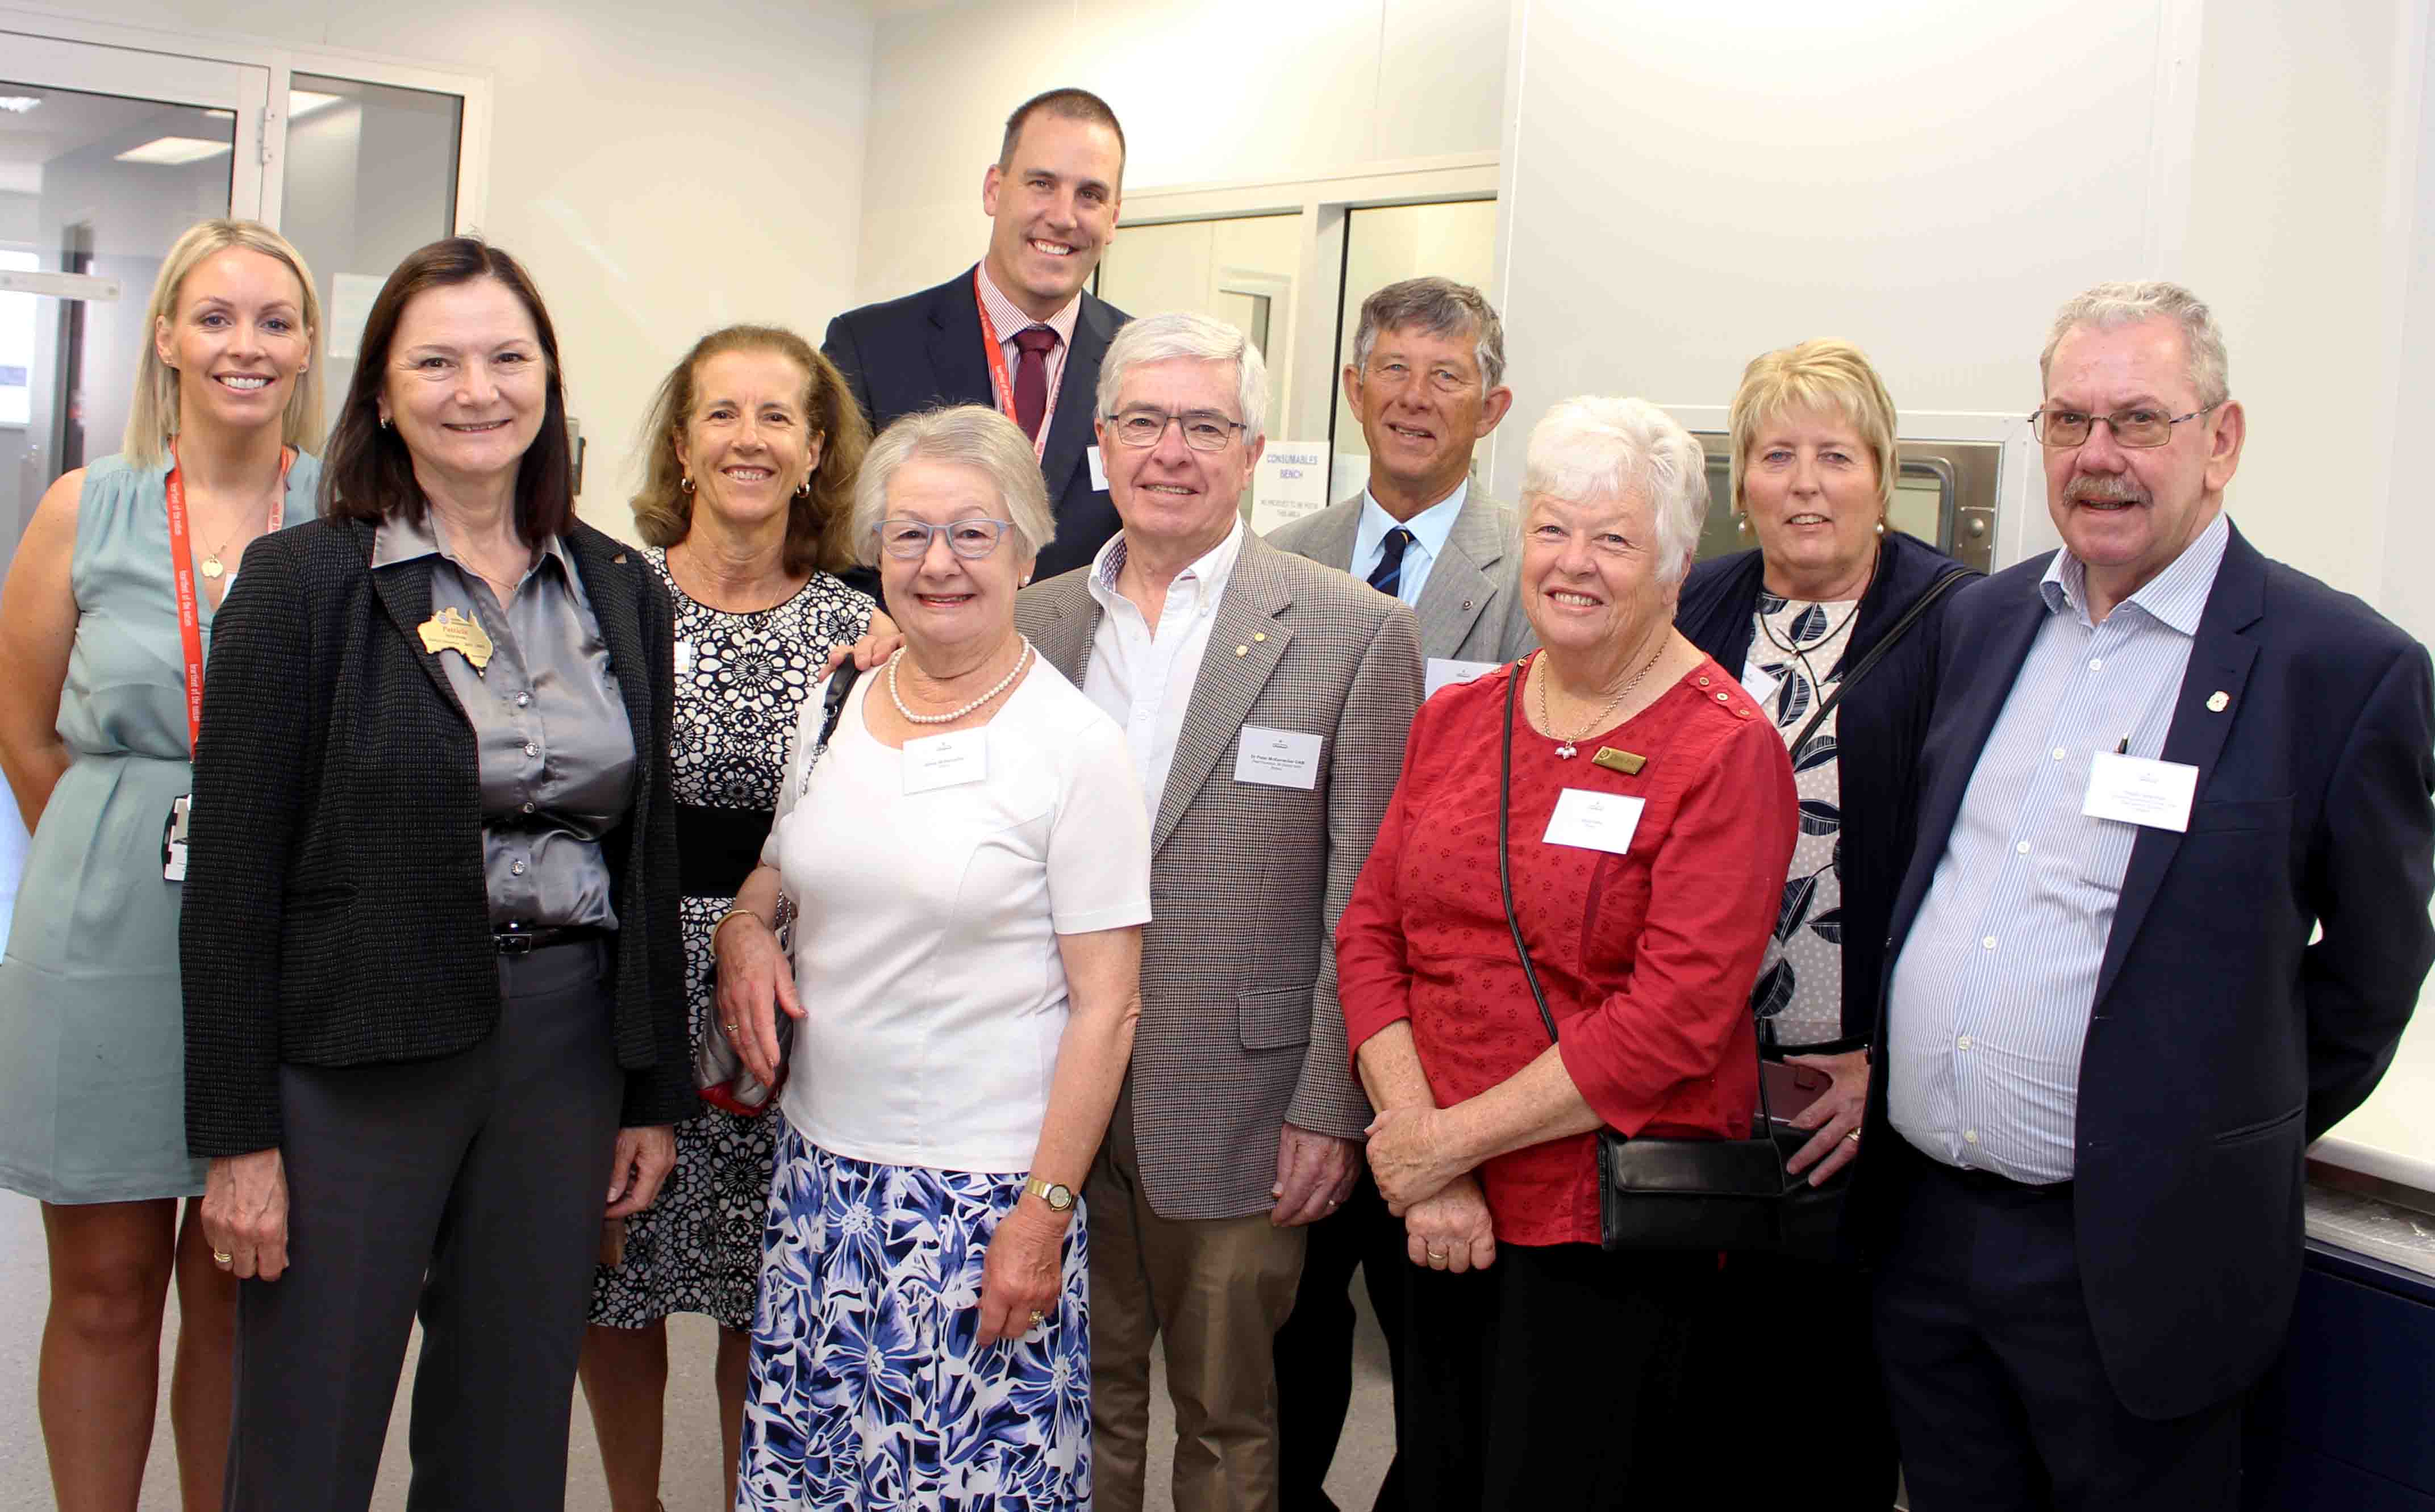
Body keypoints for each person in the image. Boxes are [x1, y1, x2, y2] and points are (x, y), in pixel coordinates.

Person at [1861, 281, 2435, 1511]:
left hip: (2133, 1261)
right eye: (2068, 422)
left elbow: (2371, 978)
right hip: (1927, 1233)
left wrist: (2201, 1120)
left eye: (2138, 421)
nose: (2098, 458)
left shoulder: (2338, 668)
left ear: (2218, 442)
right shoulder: (1984, 621)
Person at [179, 236, 690, 1511]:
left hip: (564, 1047)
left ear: (550, 380)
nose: (479, 388)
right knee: (310, 1414)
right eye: (439, 360)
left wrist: (647, 1085)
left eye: (508, 356)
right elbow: (231, 883)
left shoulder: (623, 587)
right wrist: (237, 1138)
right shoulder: (301, 588)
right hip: (357, 1051)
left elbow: (647, 854)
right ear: (383, 392)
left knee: (511, 1421)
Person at [1337, 396, 1798, 1508]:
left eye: (1613, 538)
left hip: (1605, 1232)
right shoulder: (1460, 717)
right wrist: (1427, 1154)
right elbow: (1372, 934)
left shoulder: (1725, 750)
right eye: (1552, 529)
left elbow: (1671, 1018)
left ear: (1678, 563)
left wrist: (1443, 1142)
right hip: (1440, 1214)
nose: (1573, 563)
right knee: (1439, 1475)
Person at [1015, 310, 1422, 1512]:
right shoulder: (1035, 621)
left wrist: (1326, 1102)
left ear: (1252, 450)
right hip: (1048, 1086)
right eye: (1144, 422)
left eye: (1205, 424)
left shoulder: (1355, 630)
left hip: (1246, 1103)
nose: (1170, 451)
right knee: (1076, 1401)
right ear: (1100, 444)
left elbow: (1369, 898)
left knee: (1230, 1417)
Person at [715, 403, 1150, 1508]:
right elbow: (782, 861)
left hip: (976, 1206)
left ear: (1025, 548)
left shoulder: (1076, 748)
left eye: (972, 530)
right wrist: (745, 926)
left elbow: (1109, 1007)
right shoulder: (838, 699)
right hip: (819, 1188)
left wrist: (1041, 1217)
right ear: (874, 549)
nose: (939, 561)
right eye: (908, 533)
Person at [0, 218, 322, 1512]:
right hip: (109, 927)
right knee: (106, 1281)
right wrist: (118, 851)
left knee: (242, 1280)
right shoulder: (90, 505)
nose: (244, 345)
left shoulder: (353, 518)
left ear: (305, 349)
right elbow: (24, 731)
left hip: (294, 924)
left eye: (274, 320)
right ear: (168, 336)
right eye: (218, 317)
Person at [1671, 337, 1975, 1508]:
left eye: (1835, 455)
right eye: (1776, 454)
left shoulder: (1960, 621)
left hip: (1850, 1090)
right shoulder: (1696, 603)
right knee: (1695, 1398)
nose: (1805, 482)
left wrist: (1883, 1063)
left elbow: (1973, 866)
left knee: (1831, 1411)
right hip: (1695, 1074)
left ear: (1883, 471)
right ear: (1737, 479)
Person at [580, 325, 878, 1512]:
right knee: (619, 1277)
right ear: (681, 443)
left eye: (775, 417)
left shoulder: (860, 633)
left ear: (815, 450)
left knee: (766, 1285)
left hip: (795, 988)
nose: (747, 438)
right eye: (721, 413)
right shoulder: (604, 598)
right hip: (627, 965)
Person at [1262, 273, 1533, 1510]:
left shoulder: (1541, 575)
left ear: (1494, 405)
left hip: (1464, 1034)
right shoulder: (1281, 565)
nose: (1417, 399)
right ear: (1353, 387)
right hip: (1311, 1013)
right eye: (1395, 370)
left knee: (1443, 1354)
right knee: (1293, 1332)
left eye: (1450, 375)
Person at [824, 87, 1130, 583]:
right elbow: (832, 534)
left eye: (1090, 195)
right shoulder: (868, 346)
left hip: (1084, 656)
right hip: (914, 646)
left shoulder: (1138, 363)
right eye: (1041, 184)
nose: (1063, 216)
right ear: (994, 189)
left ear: (1113, 217)